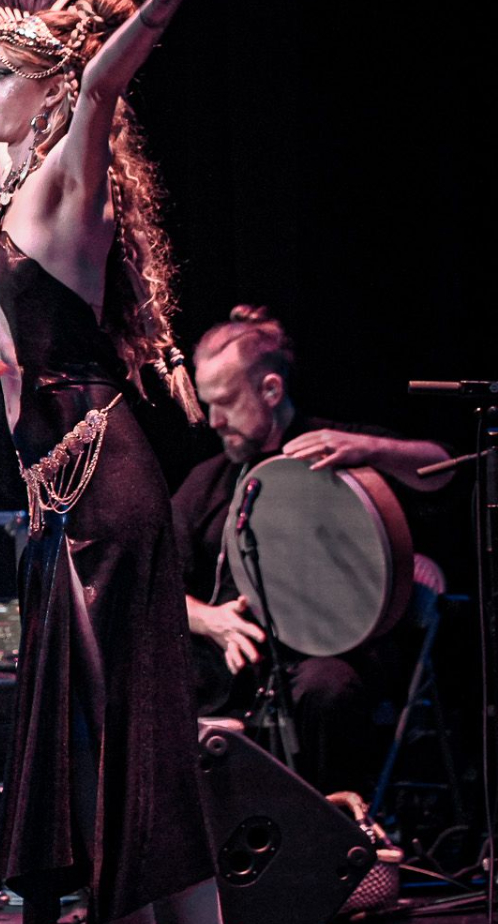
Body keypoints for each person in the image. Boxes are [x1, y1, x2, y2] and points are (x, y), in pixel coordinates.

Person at [0, 0, 254, 924]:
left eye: (1, 75)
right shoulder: (11, 197)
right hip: (55, 497)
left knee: (141, 726)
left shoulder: (65, 179)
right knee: (88, 735)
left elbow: (103, 80)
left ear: (50, 88)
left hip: (108, 483)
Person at [174, 306, 449, 793]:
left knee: (328, 690)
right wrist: (210, 620)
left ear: (271, 390)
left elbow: (442, 469)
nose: (213, 421)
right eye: (207, 404)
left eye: (227, 403)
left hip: (326, 657)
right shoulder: (207, 482)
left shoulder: (337, 451)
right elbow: (152, 584)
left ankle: (333, 827)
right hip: (231, 667)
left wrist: (371, 450)